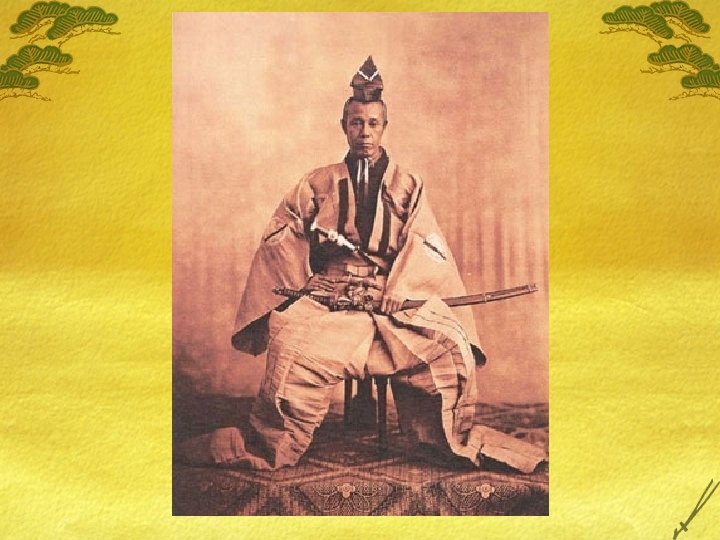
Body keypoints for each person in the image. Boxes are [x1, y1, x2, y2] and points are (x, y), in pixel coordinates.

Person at [178, 57, 546, 473]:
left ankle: (447, 440)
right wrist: (307, 283)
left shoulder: (408, 184)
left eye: (373, 123)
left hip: (392, 301)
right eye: (356, 123)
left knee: (449, 346)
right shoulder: (317, 183)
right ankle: (269, 445)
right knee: (291, 349)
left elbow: (426, 243)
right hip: (330, 303)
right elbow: (282, 233)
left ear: (384, 127)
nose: (365, 132)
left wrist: (401, 290)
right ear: (344, 126)